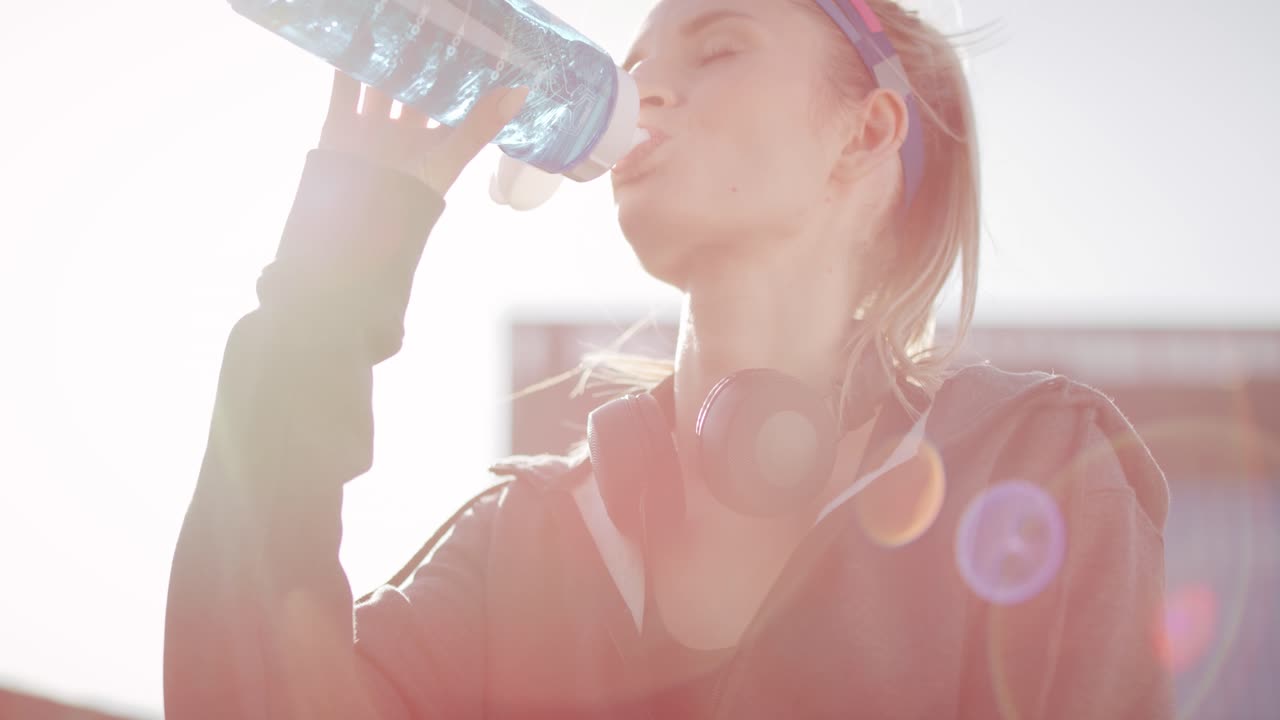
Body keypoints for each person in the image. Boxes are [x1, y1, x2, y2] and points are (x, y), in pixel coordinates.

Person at [164, 0, 1174, 718]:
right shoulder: (525, 541)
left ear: (862, 132)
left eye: (718, 48)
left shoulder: (1031, 466)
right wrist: (322, 294)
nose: (644, 92)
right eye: (635, 63)